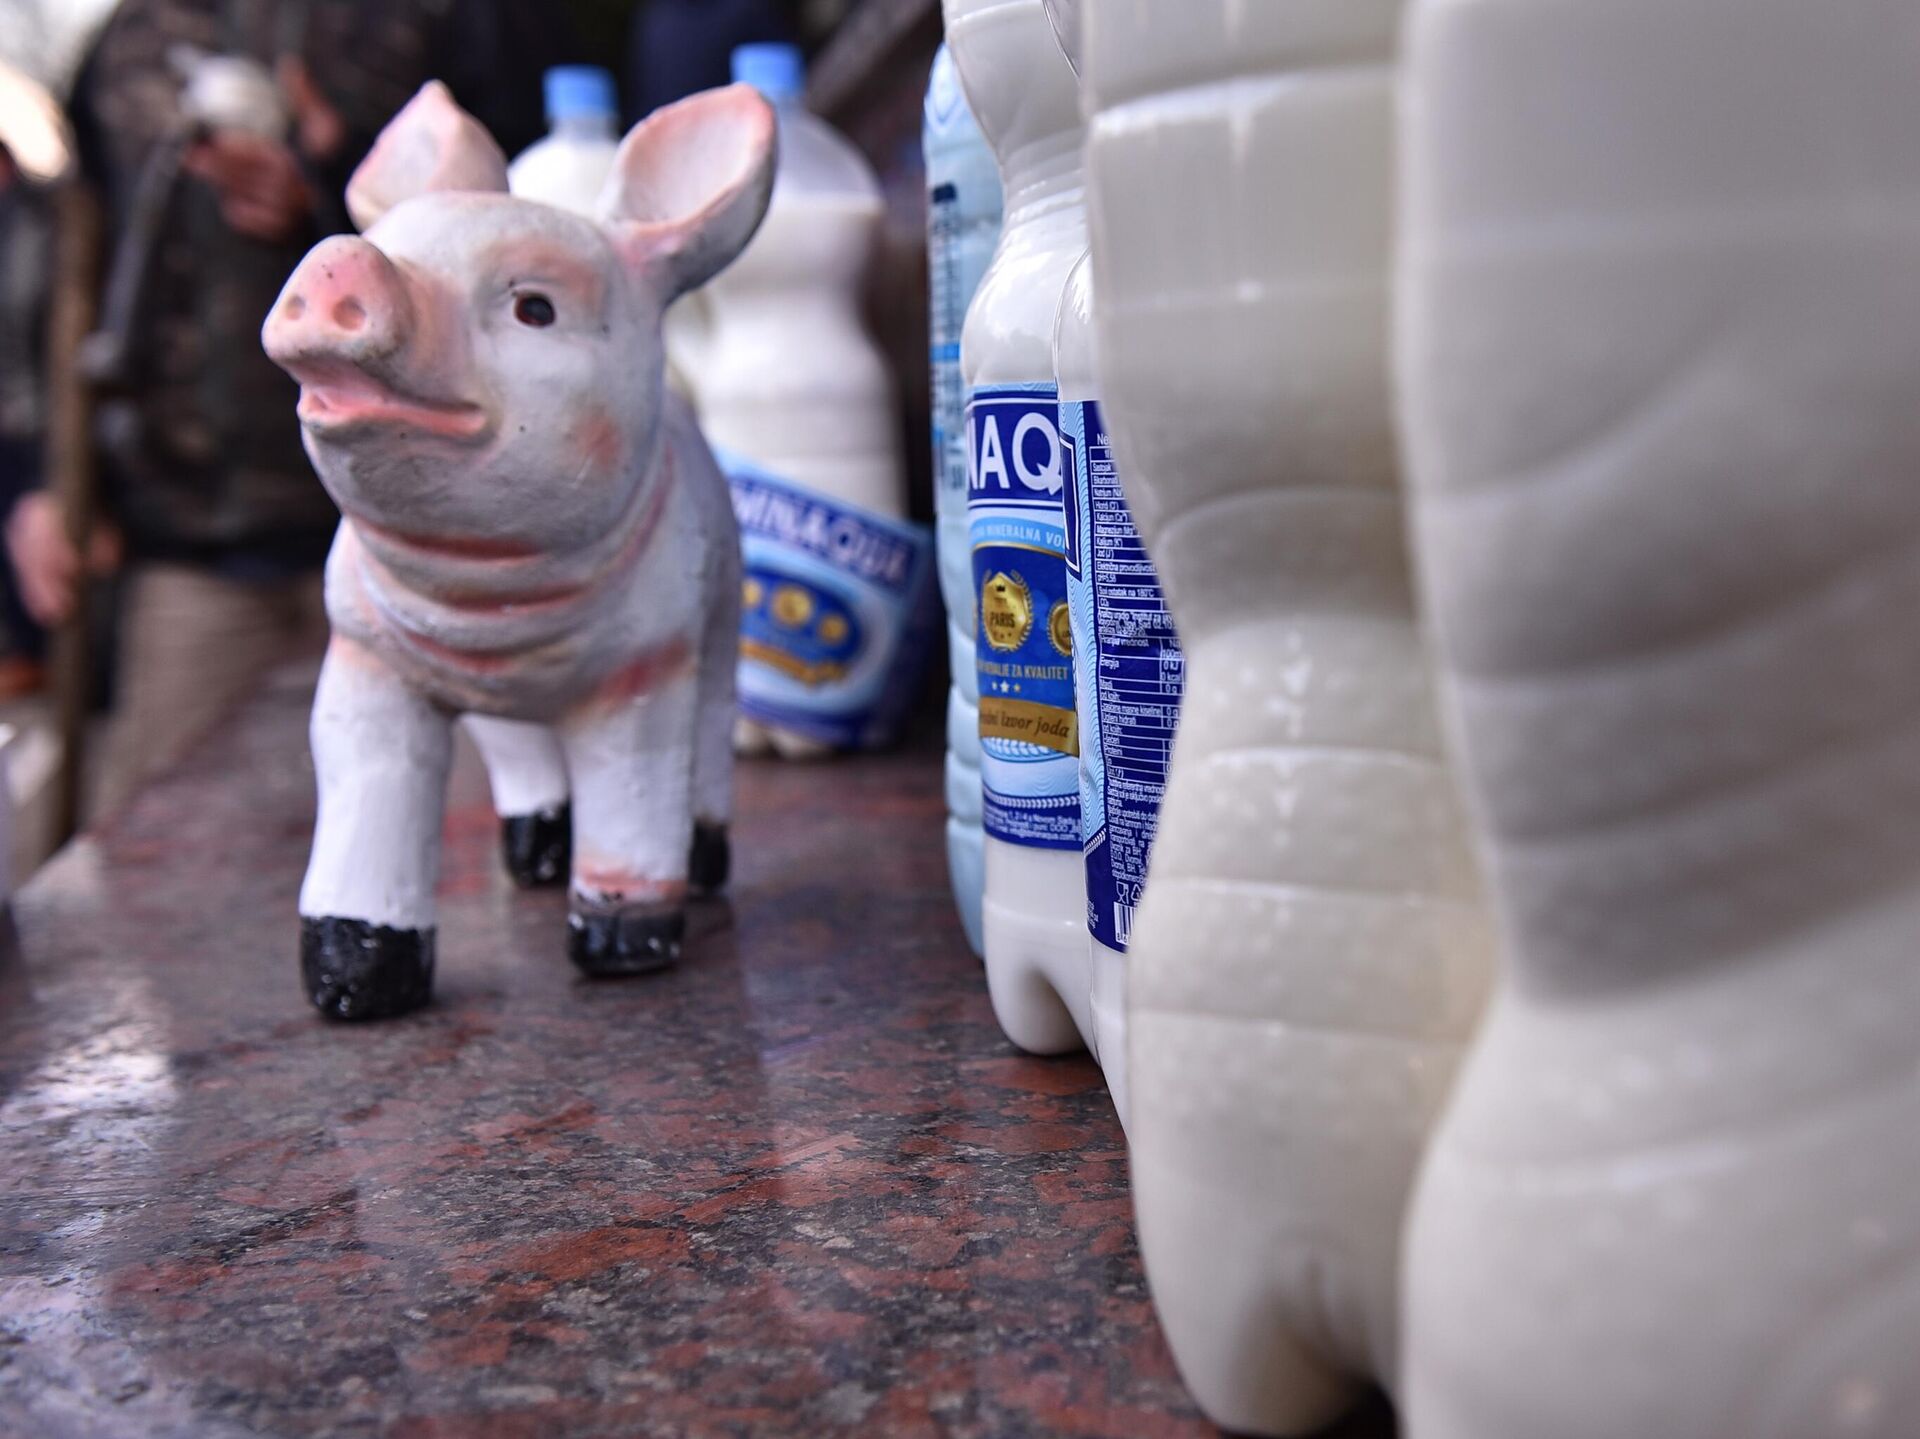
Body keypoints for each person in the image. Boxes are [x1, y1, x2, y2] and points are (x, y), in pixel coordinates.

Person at [4, 0, 559, 814]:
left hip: (435, 557)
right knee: (163, 842)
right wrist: (43, 482)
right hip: (195, 557)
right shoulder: (130, 39)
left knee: (454, 831)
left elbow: (544, 237)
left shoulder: (446, 19)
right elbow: (68, 271)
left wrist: (329, 189)